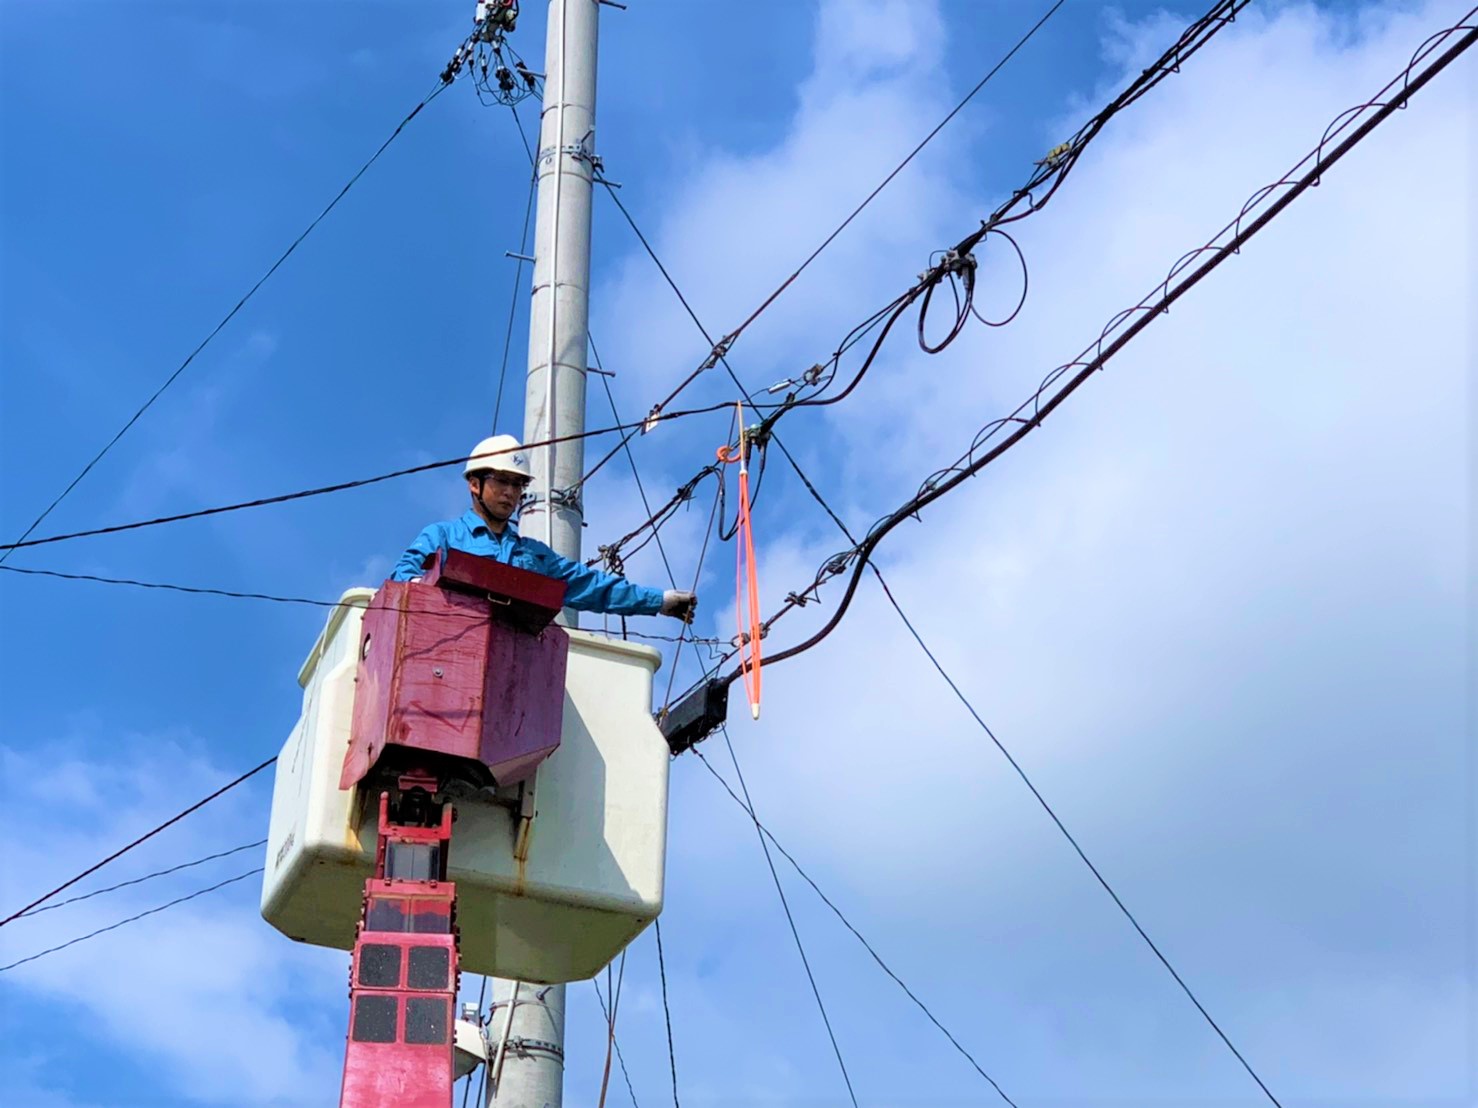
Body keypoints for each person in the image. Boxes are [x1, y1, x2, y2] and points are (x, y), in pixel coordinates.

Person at [391, 435, 698, 622]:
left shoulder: (534, 556)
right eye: (501, 481)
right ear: (474, 484)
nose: (510, 493)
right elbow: (402, 579)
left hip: (514, 666)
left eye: (518, 484)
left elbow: (594, 587)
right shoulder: (443, 537)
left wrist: (660, 601)